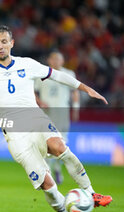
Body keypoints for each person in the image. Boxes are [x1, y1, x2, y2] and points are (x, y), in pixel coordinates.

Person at [0, 25, 112, 212]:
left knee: (60, 147)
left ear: (12, 43)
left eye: (4, 41)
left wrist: (85, 88)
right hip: (14, 133)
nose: (0, 46)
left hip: (36, 119)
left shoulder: (27, 64)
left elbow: (56, 75)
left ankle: (92, 193)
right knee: (47, 184)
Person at [35, 51, 80, 184]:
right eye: (53, 59)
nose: (55, 61)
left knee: (61, 142)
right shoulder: (42, 73)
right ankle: (48, 171)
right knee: (46, 142)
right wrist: (39, 102)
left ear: (62, 61)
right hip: (46, 113)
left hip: (62, 112)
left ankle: (57, 168)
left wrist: (76, 109)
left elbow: (75, 91)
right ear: (49, 60)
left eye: (58, 59)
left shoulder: (69, 74)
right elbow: (33, 91)